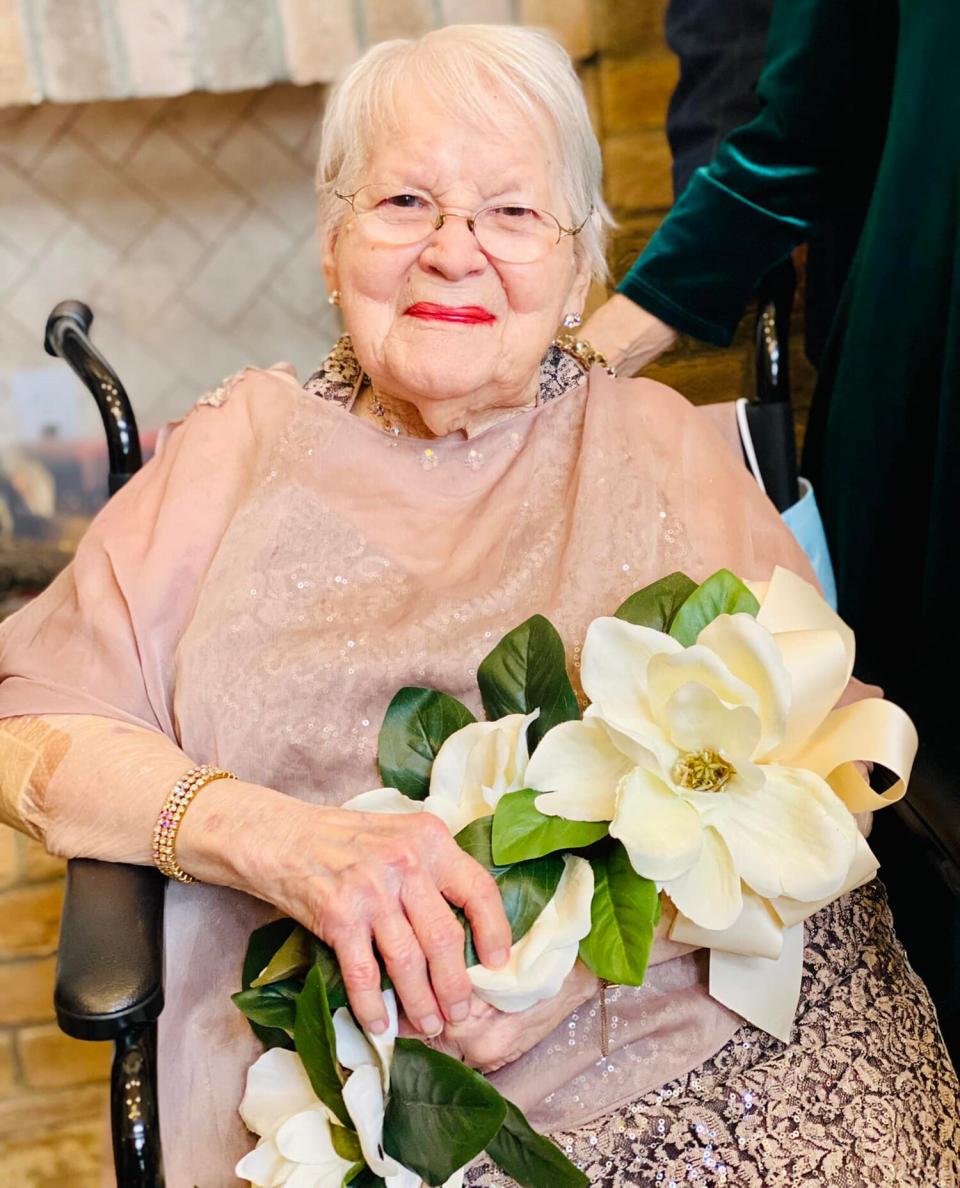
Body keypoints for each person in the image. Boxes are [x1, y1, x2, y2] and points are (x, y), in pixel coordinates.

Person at [0, 25, 956, 1187]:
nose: (455, 253)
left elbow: (833, 751)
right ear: (331, 240)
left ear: (581, 264)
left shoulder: (656, 443)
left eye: (512, 214)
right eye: (405, 200)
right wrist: (285, 843)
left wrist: (577, 964)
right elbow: (30, 723)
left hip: (702, 1048)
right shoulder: (238, 446)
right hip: (339, 1078)